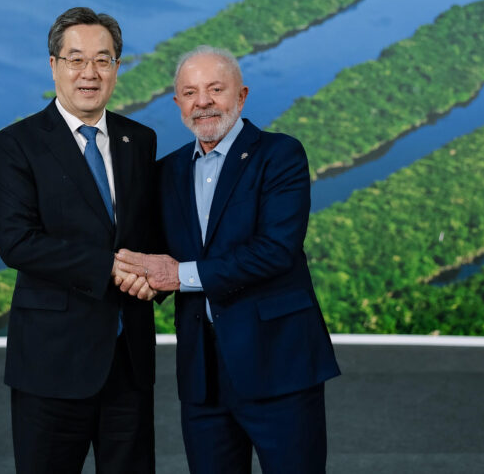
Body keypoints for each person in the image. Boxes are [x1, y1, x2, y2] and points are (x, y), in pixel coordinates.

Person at [114, 45, 340, 473]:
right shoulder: (166, 172)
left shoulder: (281, 155)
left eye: (216, 89)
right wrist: (127, 272)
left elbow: (274, 251)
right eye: (190, 92)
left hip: (278, 365)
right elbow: (151, 257)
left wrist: (176, 275)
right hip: (203, 377)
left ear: (242, 95)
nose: (203, 102)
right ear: (177, 102)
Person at [0, 7, 159, 474]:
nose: (90, 73)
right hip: (52, 363)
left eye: (103, 60)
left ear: (117, 69)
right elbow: (17, 242)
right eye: (76, 59)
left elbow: (149, 233)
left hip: (128, 362)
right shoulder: (17, 143)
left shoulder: (139, 140)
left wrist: (155, 276)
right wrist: (110, 267)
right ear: (53, 66)